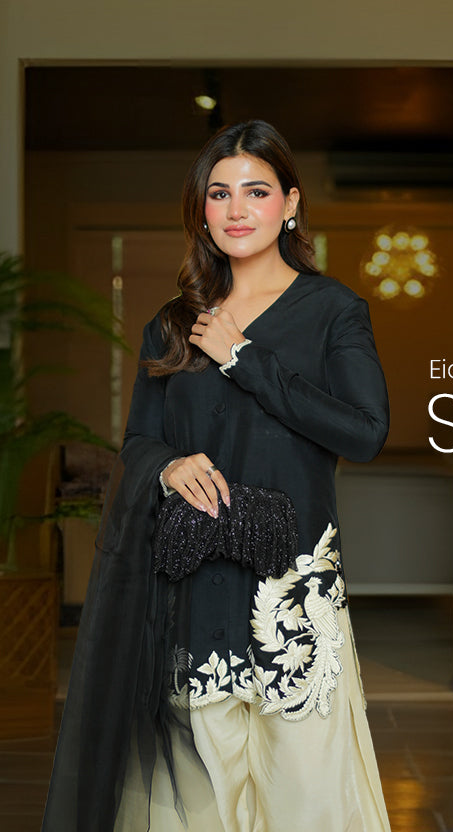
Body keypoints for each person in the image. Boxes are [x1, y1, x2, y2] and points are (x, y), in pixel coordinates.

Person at [42, 120, 391, 832]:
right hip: (192, 588)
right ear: (201, 210)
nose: (236, 209)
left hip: (292, 596)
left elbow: (365, 431)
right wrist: (167, 465)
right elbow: (139, 440)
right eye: (219, 193)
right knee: (198, 797)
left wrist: (244, 360)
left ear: (290, 203)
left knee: (306, 796)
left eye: (256, 191)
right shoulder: (174, 324)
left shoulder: (332, 311)